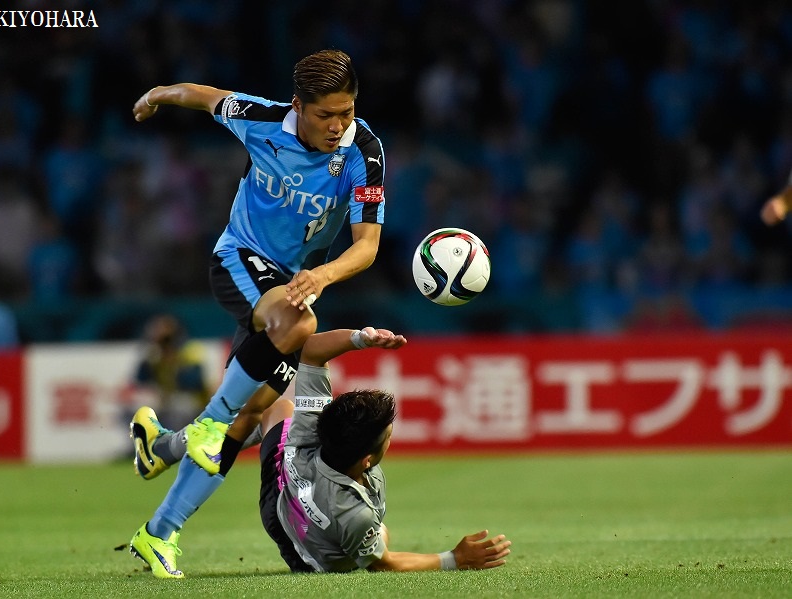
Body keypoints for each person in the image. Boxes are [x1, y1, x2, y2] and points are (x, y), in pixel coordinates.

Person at [127, 49, 386, 576]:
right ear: (297, 107)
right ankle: (203, 424)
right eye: (325, 114)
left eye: (347, 111)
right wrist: (156, 95)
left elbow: (367, 245)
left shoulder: (365, 151)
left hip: (294, 284)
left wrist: (323, 275)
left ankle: (160, 517)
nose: (338, 125)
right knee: (298, 325)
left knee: (250, 415)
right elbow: (201, 96)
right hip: (240, 261)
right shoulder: (261, 119)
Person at [258, 326, 512, 573]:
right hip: (305, 550)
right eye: (387, 436)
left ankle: (232, 437)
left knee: (278, 409)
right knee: (381, 534)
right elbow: (383, 563)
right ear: (366, 460)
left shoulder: (312, 427)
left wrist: (361, 338)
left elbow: (311, 350)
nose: (390, 436)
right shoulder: (354, 514)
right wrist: (455, 559)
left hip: (284, 483)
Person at [128, 314, 212, 433]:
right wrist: (147, 360)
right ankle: (144, 444)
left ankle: (177, 444)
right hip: (165, 399)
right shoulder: (154, 354)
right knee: (140, 405)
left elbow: (195, 382)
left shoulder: (189, 350)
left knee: (180, 405)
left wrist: (173, 363)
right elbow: (140, 380)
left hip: (193, 401)